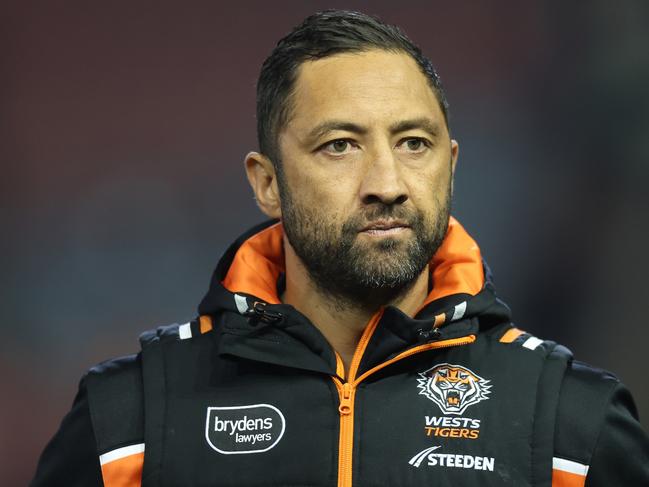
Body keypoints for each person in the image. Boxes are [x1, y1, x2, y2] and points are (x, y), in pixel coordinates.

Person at [32, 9, 649, 487]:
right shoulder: (128, 424)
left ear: (451, 166)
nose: (386, 184)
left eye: (413, 143)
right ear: (266, 182)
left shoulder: (575, 426)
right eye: (340, 146)